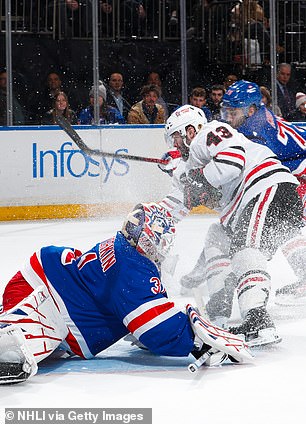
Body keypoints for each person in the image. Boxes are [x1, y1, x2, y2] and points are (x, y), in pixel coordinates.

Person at [0, 202, 252, 384]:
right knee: (15, 351)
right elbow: (154, 328)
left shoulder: (123, 247)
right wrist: (196, 342)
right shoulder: (132, 268)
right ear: (150, 238)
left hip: (45, 279)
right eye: (162, 240)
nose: (163, 248)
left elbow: (131, 311)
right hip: (46, 297)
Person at [161, 104, 304, 346]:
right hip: (259, 199)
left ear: (190, 130)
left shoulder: (208, 132)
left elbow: (232, 161)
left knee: (244, 249)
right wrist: (154, 215)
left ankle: (258, 320)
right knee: (217, 236)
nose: (175, 145)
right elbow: (180, 203)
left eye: (176, 137)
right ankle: (220, 305)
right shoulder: (194, 163)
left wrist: (197, 179)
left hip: (266, 187)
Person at [181, 81, 306, 311]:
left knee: (278, 227)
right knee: (269, 227)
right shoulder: (253, 119)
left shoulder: (253, 131)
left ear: (250, 110)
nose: (227, 117)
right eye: (225, 111)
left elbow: (230, 166)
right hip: (294, 171)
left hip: (299, 174)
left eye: (233, 112)